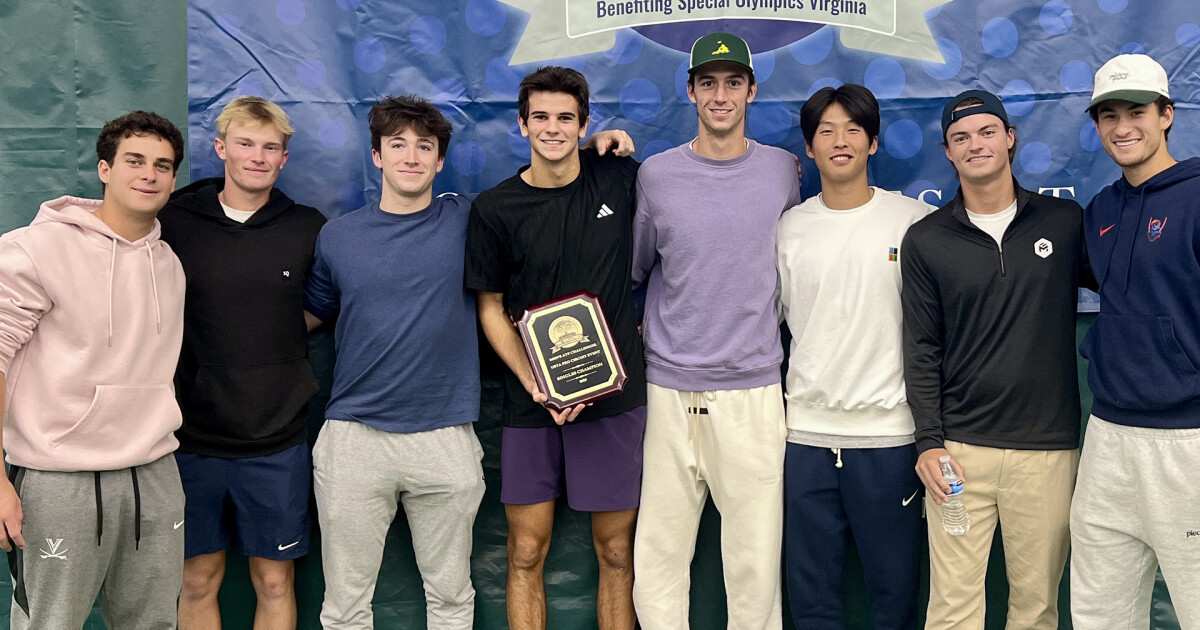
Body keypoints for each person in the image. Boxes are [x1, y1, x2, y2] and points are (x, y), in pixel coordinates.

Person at [630, 32, 801, 629]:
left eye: (733, 82)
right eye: (709, 83)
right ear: (691, 92)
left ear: (752, 91)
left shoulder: (783, 171)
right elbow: (636, 266)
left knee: (754, 562)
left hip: (753, 388)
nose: (721, 94)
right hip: (669, 389)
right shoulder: (656, 175)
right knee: (657, 555)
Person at [901, 90, 1090, 630]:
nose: (975, 144)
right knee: (953, 610)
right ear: (948, 152)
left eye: (987, 132)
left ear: (1010, 139)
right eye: (961, 137)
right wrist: (929, 443)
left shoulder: (1065, 220)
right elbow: (921, 347)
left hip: (1046, 454)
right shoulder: (926, 239)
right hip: (959, 454)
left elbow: (1132, 284)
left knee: (1035, 609)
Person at [465, 66, 646, 630]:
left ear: (584, 123)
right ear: (521, 125)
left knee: (617, 553)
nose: (552, 128)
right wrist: (535, 382)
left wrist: (603, 147)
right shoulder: (494, 208)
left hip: (614, 399)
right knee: (524, 553)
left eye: (566, 118)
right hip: (530, 404)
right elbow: (490, 307)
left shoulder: (618, 179)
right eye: (540, 117)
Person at [302, 95, 485, 630]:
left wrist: (595, 150)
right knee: (344, 607)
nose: (411, 157)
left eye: (423, 147)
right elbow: (311, 315)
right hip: (354, 439)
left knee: (451, 596)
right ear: (377, 156)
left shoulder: (469, 220)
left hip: (446, 435)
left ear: (439, 160)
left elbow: (541, 190)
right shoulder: (338, 236)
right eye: (397, 145)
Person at [0, 111, 187, 627]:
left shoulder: (169, 263)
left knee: (154, 622)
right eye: (134, 160)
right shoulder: (33, 250)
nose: (148, 174)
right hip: (59, 480)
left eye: (162, 165)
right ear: (105, 169)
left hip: (155, 474)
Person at [158, 96, 326, 630]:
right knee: (197, 579)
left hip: (276, 440)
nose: (258, 156)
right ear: (220, 148)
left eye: (270, 147)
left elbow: (324, 304)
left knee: (275, 581)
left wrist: (269, 341)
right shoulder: (175, 219)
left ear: (284, 158)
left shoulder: (307, 226)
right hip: (190, 440)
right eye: (246, 143)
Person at [777, 84, 931, 630]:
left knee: (894, 596)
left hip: (890, 441)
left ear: (873, 143)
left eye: (853, 130)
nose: (840, 141)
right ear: (809, 149)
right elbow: (775, 321)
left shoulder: (912, 222)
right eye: (826, 131)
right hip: (806, 440)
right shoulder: (788, 227)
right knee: (812, 598)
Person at [1071, 53, 1200, 629]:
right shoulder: (1101, 209)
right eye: (1109, 116)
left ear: (1167, 114)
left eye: (1137, 112)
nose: (1123, 127)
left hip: (1187, 442)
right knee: (1101, 609)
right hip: (1108, 436)